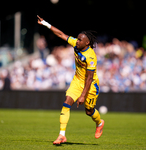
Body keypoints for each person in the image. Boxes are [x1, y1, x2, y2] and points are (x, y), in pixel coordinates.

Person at [37, 15, 104, 145]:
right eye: (77, 39)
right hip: (77, 81)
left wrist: (83, 96)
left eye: (79, 40)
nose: (76, 41)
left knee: (89, 111)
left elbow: (89, 79)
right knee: (66, 103)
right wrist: (45, 23)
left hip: (90, 85)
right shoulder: (76, 44)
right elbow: (61, 34)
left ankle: (99, 122)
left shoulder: (91, 57)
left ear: (87, 43)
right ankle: (62, 135)